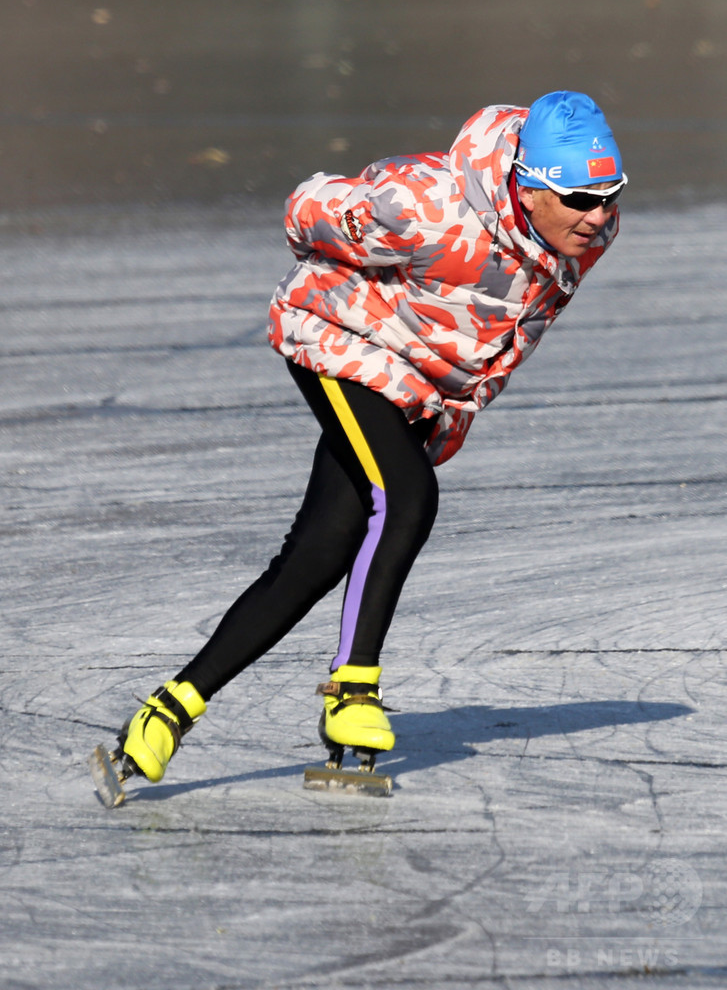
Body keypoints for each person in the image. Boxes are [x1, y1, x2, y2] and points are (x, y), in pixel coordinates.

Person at [105, 90, 626, 786]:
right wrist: (350, 218)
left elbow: (508, 328)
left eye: (609, 195)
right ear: (527, 190)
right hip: (337, 342)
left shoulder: (584, 232)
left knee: (317, 556)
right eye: (579, 199)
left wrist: (455, 409)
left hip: (416, 384)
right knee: (407, 497)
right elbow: (304, 213)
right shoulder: (423, 209)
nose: (597, 217)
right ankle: (353, 690)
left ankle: (165, 712)